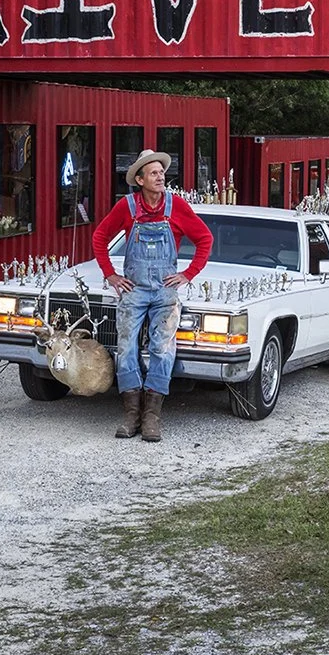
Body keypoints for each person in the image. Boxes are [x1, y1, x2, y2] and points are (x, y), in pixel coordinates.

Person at [91, 149, 212, 442]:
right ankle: (131, 415)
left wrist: (188, 274)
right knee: (126, 347)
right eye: (154, 173)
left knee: (162, 348)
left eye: (162, 172)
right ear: (140, 179)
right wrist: (110, 274)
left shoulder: (177, 206)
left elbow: (205, 238)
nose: (161, 178)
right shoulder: (127, 207)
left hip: (165, 292)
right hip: (133, 289)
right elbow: (99, 237)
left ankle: (152, 418)